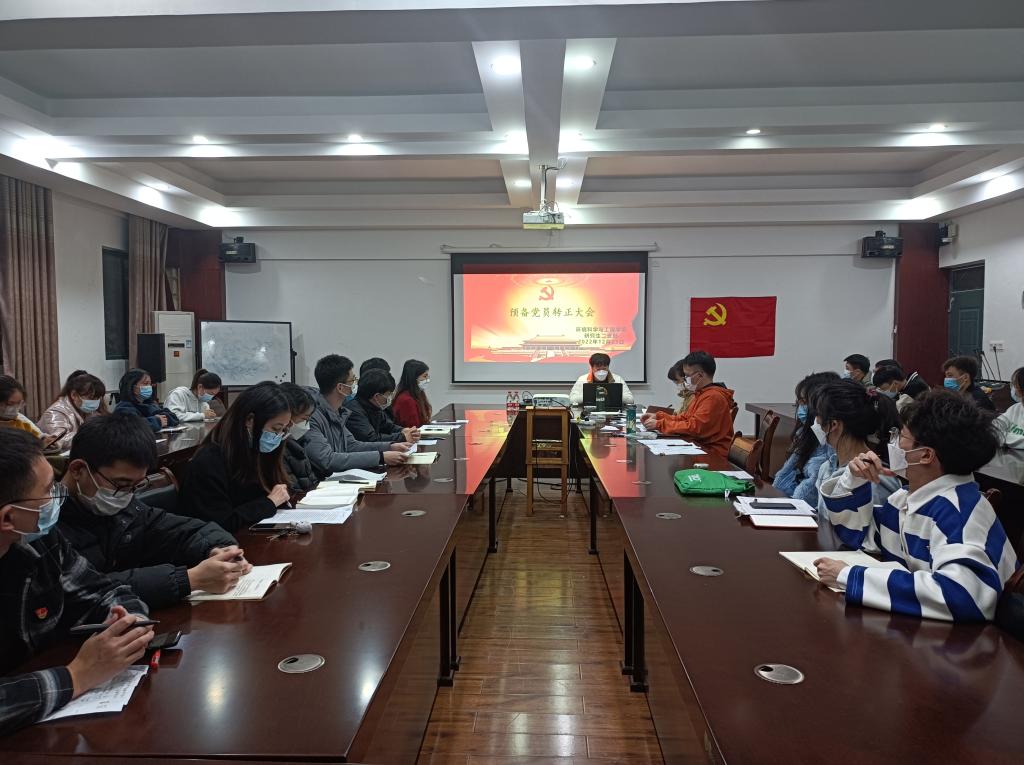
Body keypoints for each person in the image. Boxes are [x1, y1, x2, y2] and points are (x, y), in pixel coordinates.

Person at [814, 390, 1018, 622]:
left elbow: (962, 596)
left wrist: (848, 576)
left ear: (925, 455)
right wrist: (853, 479)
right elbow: (861, 538)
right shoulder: (907, 498)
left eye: (900, 436)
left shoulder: (961, 510)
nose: (893, 443)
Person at [0, 428, 154, 734]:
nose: (59, 495)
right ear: (8, 518)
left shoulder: (38, 541)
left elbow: (102, 590)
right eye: (48, 490)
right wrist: (76, 675)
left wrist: (129, 623)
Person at [57, 412, 249, 609]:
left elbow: (178, 529)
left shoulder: (124, 510)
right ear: (78, 469)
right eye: (121, 484)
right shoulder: (46, 524)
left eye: (136, 486)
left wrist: (218, 548)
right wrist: (188, 579)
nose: (127, 495)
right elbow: (83, 588)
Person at [178, 382, 292, 533]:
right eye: (275, 429)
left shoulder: (257, 451)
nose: (278, 436)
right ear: (249, 420)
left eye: (283, 430)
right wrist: (269, 502)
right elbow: (221, 523)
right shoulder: (209, 461)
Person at [810, 380, 902, 530]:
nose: (816, 421)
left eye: (818, 415)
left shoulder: (871, 477)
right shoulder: (828, 466)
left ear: (834, 425)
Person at [304, 355, 409, 475]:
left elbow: (351, 445)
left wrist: (390, 446)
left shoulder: (338, 411)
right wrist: (381, 457)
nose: (355, 384)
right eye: (352, 380)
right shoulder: (310, 417)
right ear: (340, 387)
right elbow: (328, 459)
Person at [640, 351, 734, 460]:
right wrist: (658, 416)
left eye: (687, 376)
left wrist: (660, 424)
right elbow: (685, 418)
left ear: (700, 375)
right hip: (699, 447)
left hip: (712, 454)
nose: (685, 380)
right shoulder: (701, 394)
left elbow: (695, 427)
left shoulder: (713, 397)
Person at [772, 371, 840, 506]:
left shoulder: (830, 448)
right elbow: (783, 480)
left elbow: (808, 496)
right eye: (798, 402)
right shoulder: (805, 435)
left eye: (804, 402)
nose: (800, 408)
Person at [37, 370, 108, 451]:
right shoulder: (54, 413)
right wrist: (95, 435)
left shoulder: (88, 411)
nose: (94, 402)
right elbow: (59, 439)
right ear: (74, 395)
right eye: (91, 398)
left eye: (97, 398)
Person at [345, 369, 420, 444]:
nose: (390, 397)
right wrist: (403, 437)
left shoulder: (374, 407)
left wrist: (403, 430)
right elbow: (371, 439)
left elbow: (388, 427)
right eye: (389, 394)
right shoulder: (353, 411)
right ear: (376, 396)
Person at [280, 382, 324, 492]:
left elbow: (310, 481)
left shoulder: (299, 442)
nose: (306, 425)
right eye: (305, 419)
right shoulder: (279, 447)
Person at [113, 368, 179, 432]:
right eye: (145, 383)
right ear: (133, 387)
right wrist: (157, 421)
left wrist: (162, 419)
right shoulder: (124, 408)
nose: (149, 387)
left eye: (150, 384)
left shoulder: (148, 404)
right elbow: (133, 426)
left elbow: (174, 418)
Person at [568, 353, 635, 407]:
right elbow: (572, 399)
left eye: (604, 368)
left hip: (613, 412)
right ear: (592, 367)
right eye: (598, 369)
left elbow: (630, 399)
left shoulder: (618, 379)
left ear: (608, 367)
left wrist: (612, 394)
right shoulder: (582, 379)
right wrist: (592, 394)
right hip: (589, 413)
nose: (601, 371)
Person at [392, 359, 434, 428]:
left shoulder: (419, 394)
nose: (427, 379)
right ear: (414, 378)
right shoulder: (406, 400)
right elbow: (413, 428)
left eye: (427, 376)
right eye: (425, 376)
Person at [997, 366, 1024, 449]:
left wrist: (1004, 437)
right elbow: (994, 429)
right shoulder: (1015, 408)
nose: (1013, 388)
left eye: (1015, 385)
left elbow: (998, 436)